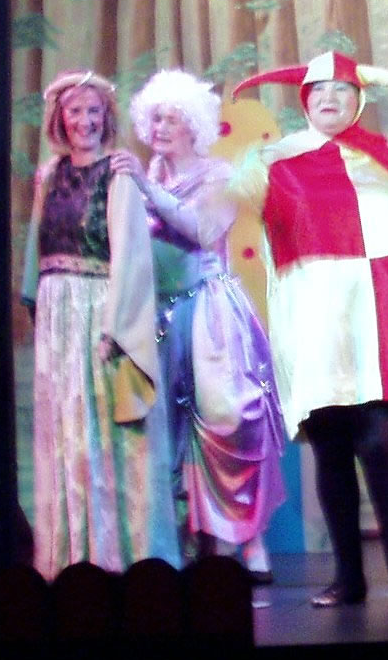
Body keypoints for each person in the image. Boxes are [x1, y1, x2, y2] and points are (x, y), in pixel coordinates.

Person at [228, 51, 388, 608]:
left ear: (358, 100)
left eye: (342, 90)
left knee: (379, 441)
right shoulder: (271, 161)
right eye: (318, 90)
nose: (329, 98)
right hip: (313, 320)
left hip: (377, 315)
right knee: (330, 448)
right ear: (304, 100)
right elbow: (218, 208)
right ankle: (349, 578)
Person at [113, 69, 287, 573]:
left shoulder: (218, 175)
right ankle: (190, 542)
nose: (161, 127)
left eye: (172, 118)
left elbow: (202, 228)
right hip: (159, 315)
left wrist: (145, 187)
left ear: (194, 125)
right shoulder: (149, 176)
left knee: (228, 420)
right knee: (167, 428)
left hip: (210, 312)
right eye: (155, 119)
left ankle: (248, 540)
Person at [21, 70, 178, 577]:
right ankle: (71, 554)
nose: (84, 121)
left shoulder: (118, 171)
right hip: (58, 311)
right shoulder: (49, 173)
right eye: (75, 111)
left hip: (100, 307)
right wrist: (34, 299)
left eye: (93, 111)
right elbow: (37, 243)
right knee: (65, 428)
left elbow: (131, 252)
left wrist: (117, 324)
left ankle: (120, 553)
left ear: (105, 118)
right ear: (59, 119)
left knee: (105, 427)